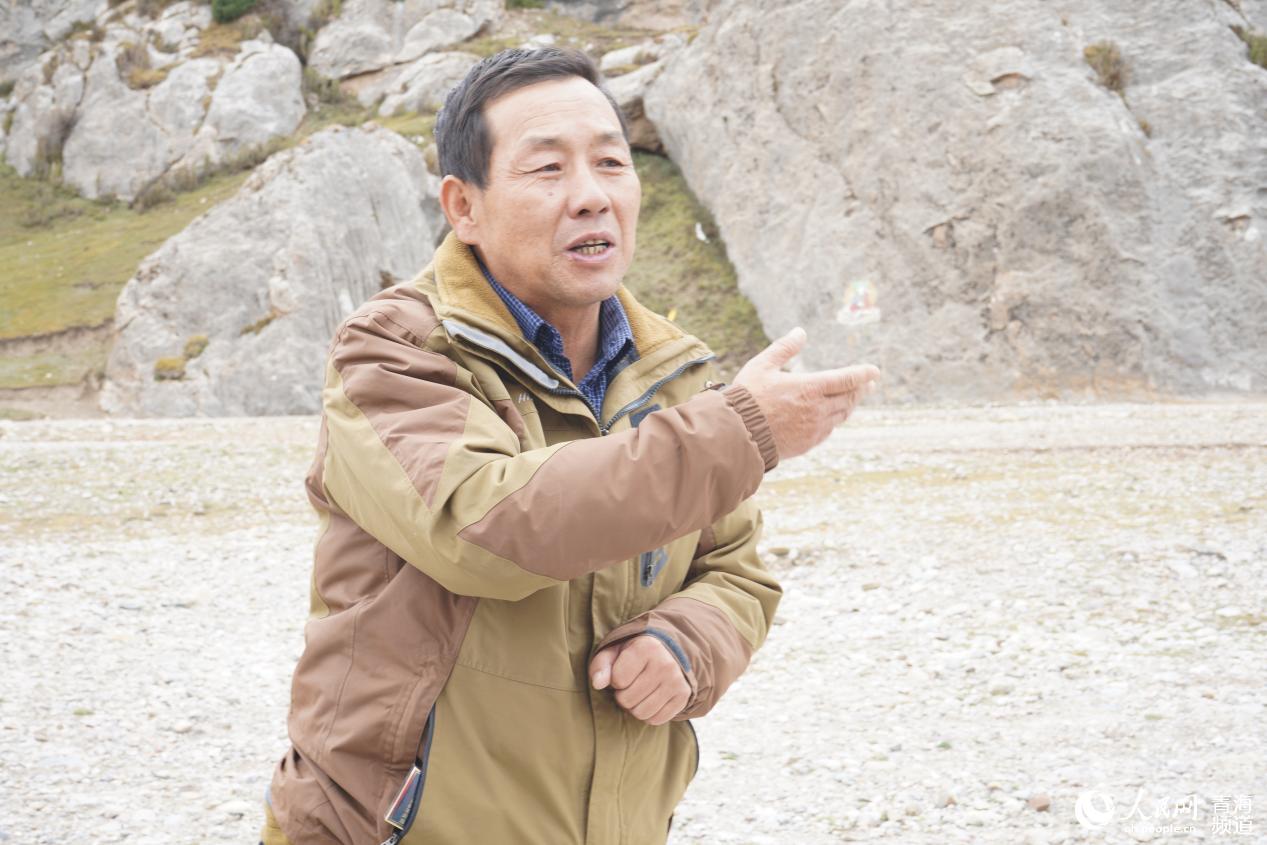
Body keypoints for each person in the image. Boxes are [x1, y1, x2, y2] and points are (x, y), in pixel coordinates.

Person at [259, 46, 879, 845]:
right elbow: (484, 527)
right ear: (463, 206)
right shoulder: (394, 351)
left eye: (611, 163)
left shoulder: (672, 370)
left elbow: (736, 570)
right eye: (547, 169)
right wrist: (741, 430)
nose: (591, 196)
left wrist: (683, 643)